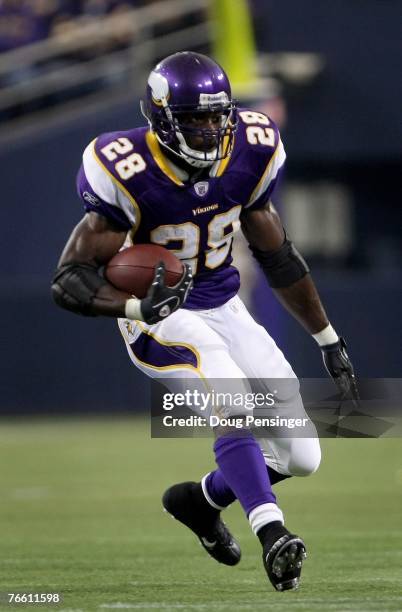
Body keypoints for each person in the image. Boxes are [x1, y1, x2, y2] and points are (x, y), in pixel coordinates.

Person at [52, 51, 358, 592]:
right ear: (163, 117)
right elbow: (70, 279)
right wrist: (134, 308)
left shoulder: (251, 149)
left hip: (224, 306)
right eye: (195, 118)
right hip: (160, 319)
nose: (210, 128)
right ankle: (273, 533)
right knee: (227, 387)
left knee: (303, 454)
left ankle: (200, 500)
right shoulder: (124, 165)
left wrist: (327, 338)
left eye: (217, 116)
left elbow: (280, 256)